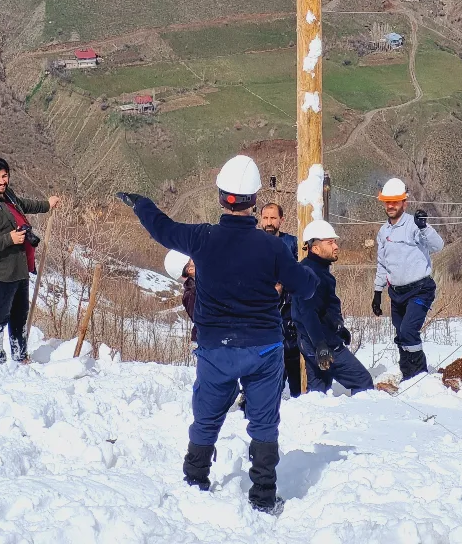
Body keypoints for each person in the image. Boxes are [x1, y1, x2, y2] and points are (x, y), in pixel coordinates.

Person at [117, 154, 325, 515]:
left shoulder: (201, 238)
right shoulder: (273, 247)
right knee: (264, 421)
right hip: (263, 348)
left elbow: (162, 229)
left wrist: (141, 203)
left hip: (215, 349)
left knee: (207, 416)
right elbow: (305, 287)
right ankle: (263, 495)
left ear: (220, 197)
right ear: (254, 200)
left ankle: (195, 479)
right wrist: (307, 269)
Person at [0, 157, 59, 364]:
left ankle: (20, 356)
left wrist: (46, 205)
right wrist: (9, 239)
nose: (2, 181)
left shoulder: (7, 194)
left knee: (19, 315)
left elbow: (23, 205)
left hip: (18, 268)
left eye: (5, 176)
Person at [371, 177, 444, 381]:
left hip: (420, 289)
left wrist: (424, 227)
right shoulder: (383, 231)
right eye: (387, 202)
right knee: (401, 335)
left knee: (408, 331)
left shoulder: (414, 224)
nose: (391, 206)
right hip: (396, 293)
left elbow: (438, 246)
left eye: (395, 201)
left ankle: (419, 376)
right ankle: (407, 375)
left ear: (405, 202)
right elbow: (382, 263)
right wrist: (377, 292)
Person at [292, 219, 374, 394]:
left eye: (335, 242)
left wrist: (337, 326)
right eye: (330, 243)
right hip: (322, 343)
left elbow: (323, 308)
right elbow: (308, 313)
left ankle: (316, 411)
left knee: (318, 390)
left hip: (312, 341)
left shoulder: (315, 269)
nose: (336, 246)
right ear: (315, 248)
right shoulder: (311, 273)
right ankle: (365, 412)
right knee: (362, 382)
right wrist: (321, 346)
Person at [260, 202, 301, 398]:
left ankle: (298, 397)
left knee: (291, 355)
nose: (269, 222)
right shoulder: (253, 242)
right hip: (262, 311)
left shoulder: (291, 243)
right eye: (265, 218)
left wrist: (282, 283)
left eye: (273, 218)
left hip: (287, 310)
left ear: (281, 220)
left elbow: (300, 271)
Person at [165, 250, 197, 343]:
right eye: (193, 258)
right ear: (190, 269)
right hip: (217, 344)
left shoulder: (202, 286)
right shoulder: (191, 294)